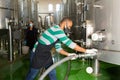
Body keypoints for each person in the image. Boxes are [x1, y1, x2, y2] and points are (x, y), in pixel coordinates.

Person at [26, 17, 98, 80]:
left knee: (52, 72)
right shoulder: (57, 30)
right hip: (38, 53)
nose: (69, 28)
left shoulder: (59, 33)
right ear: (65, 22)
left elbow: (58, 48)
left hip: (46, 53)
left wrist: (68, 54)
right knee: (32, 74)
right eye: (69, 26)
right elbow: (70, 43)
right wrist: (86, 51)